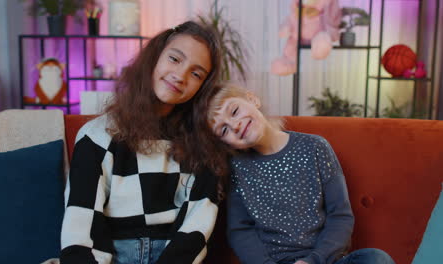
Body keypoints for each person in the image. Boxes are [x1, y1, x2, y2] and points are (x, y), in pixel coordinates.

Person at [60, 21, 227, 264]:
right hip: (112, 256)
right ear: (154, 58)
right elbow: (81, 222)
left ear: (202, 87)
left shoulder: (202, 143)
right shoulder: (97, 135)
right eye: (174, 59)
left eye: (196, 73)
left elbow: (197, 225)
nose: (180, 76)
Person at [205, 82, 396, 264]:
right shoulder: (238, 168)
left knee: (376, 258)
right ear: (225, 143)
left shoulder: (315, 147)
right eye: (224, 130)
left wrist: (313, 260)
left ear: (252, 99)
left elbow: (340, 215)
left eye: (235, 111)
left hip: (324, 260)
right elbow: (240, 230)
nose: (235, 125)